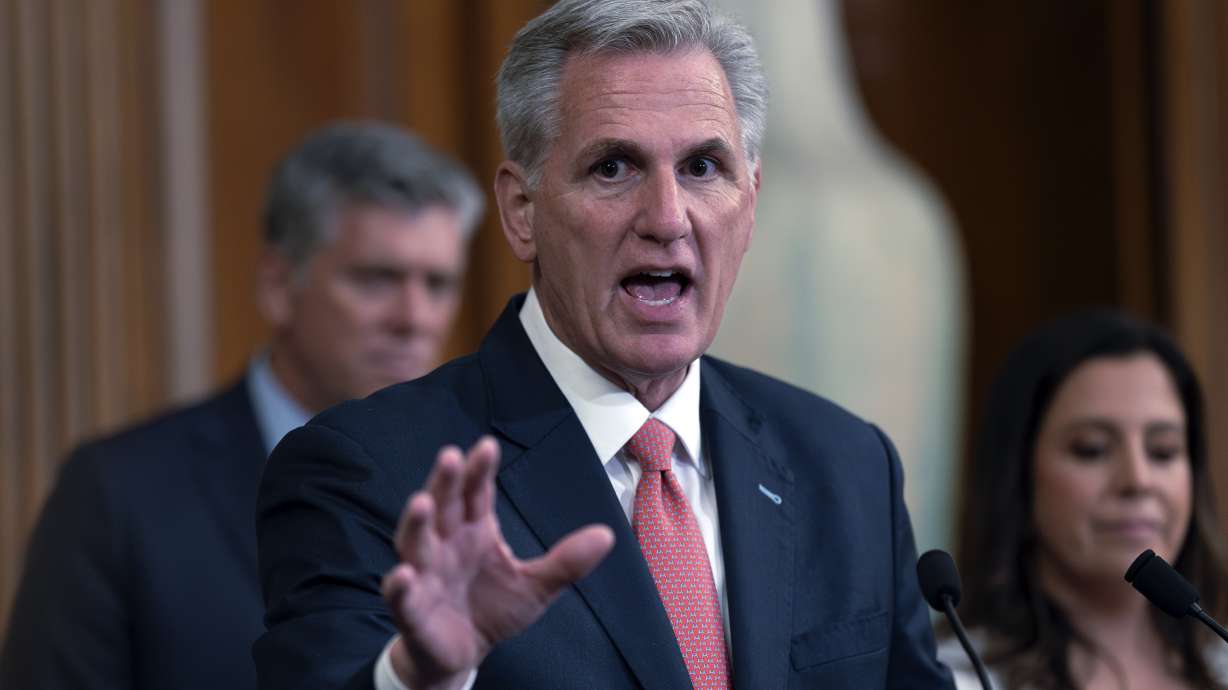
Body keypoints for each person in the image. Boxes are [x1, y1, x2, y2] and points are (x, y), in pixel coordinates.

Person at [254, 2, 954, 689]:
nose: (667, 218)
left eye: (702, 167)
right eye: (614, 168)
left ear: (751, 201)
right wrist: (422, 675)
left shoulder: (846, 466)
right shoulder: (370, 475)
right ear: (522, 211)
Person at [0, 121, 484, 690]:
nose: (415, 319)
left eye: (438, 284)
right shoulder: (119, 494)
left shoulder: (492, 480)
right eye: (377, 279)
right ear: (278, 285)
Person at [941, 310, 1228, 689]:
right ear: (1018, 475)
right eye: (1091, 449)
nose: (1138, 480)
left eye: (1163, 450)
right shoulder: (952, 679)